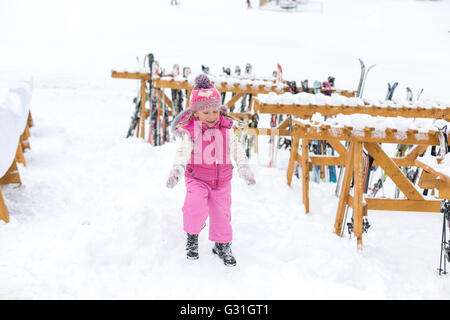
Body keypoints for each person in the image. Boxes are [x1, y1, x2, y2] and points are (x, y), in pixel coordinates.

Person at [166, 74, 256, 267]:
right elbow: (183, 151)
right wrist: (177, 168)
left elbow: (237, 148)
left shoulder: (225, 129)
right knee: (194, 207)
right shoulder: (192, 131)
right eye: (206, 113)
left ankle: (222, 244)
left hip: (221, 181)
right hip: (196, 178)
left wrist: (243, 166)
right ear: (196, 113)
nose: (211, 116)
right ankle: (192, 237)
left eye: (215, 111)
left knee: (222, 213)